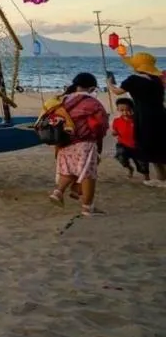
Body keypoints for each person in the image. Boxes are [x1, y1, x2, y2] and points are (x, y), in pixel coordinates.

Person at [47, 72, 110, 216]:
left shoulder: (63, 101)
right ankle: (88, 208)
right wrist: (98, 142)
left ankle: (58, 192)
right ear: (92, 88)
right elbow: (101, 125)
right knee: (88, 174)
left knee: (69, 169)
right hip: (84, 143)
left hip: (64, 142)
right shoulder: (92, 103)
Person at [106, 52, 166, 187]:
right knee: (160, 147)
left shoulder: (133, 79)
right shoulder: (155, 80)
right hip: (161, 115)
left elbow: (117, 92)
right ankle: (162, 178)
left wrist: (109, 83)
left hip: (144, 117)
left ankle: (162, 179)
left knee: (150, 147)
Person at [112, 98, 149, 180]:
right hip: (123, 144)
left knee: (142, 163)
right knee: (121, 157)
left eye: (128, 110)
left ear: (132, 109)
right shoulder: (116, 121)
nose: (125, 112)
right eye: (122, 110)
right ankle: (129, 168)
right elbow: (114, 132)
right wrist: (114, 133)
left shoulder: (137, 119)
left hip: (138, 145)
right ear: (118, 109)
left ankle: (146, 177)